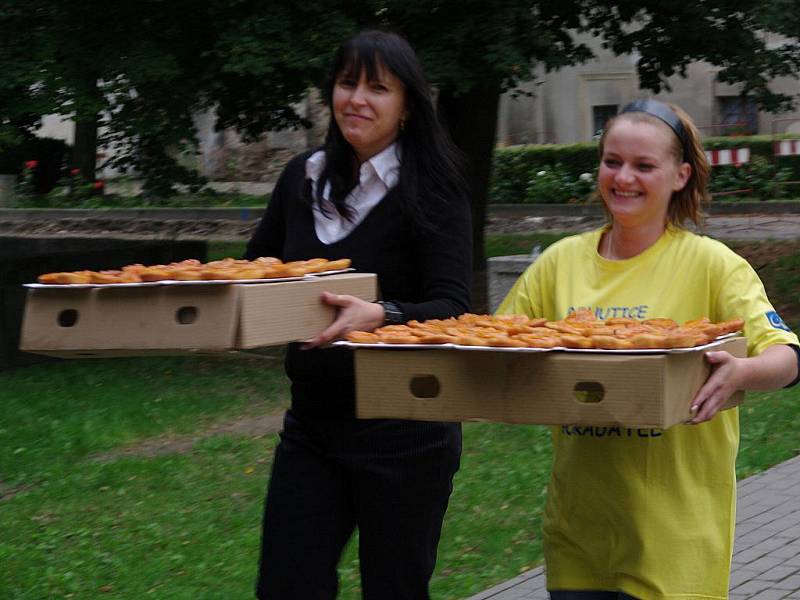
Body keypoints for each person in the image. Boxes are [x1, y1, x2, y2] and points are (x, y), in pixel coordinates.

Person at [498, 99, 800, 599]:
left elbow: (787, 356)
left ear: (680, 176)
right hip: (580, 542)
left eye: (643, 165)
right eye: (612, 161)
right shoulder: (557, 264)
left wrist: (740, 374)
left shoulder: (713, 266)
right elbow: (487, 346)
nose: (623, 178)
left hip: (676, 546)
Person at [244, 30, 472, 599]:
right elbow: (256, 270)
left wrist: (382, 313)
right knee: (285, 587)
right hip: (313, 428)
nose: (357, 99)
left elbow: (452, 309)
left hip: (406, 432)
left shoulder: (437, 189)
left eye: (378, 87)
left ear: (407, 106)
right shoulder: (302, 179)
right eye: (348, 83)